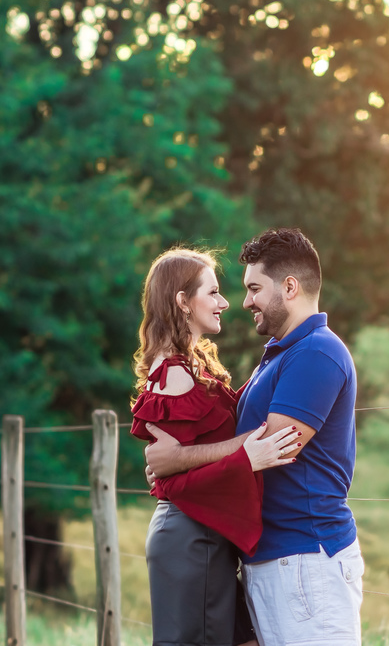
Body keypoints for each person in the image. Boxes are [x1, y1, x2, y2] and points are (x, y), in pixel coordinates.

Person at [146, 228, 363, 646]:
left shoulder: (316, 352)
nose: (244, 302)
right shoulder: (279, 355)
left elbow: (272, 444)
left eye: (254, 289)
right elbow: (238, 441)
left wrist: (177, 461)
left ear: (290, 287)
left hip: (305, 559)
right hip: (271, 560)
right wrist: (176, 467)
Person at [130, 247, 302, 646]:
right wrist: (247, 453)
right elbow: (172, 477)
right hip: (192, 537)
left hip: (207, 535)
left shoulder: (193, 366)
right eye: (212, 292)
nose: (224, 303)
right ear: (182, 302)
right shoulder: (172, 375)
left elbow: (179, 460)